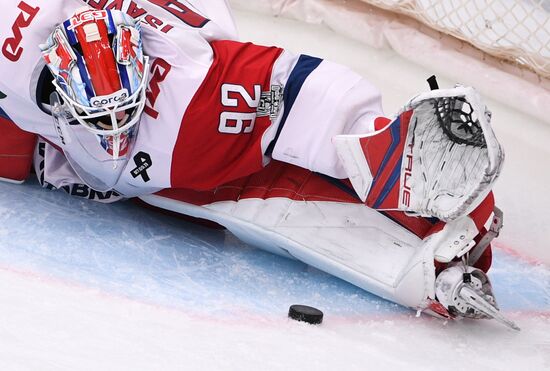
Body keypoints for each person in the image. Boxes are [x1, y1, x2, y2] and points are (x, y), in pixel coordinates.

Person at [0, 1, 515, 328]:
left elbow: (291, 94)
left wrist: (369, 136)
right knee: (273, 205)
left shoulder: (195, 80)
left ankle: (435, 186)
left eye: (122, 112)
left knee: (296, 125)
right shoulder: (19, 81)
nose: (112, 133)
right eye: (98, 119)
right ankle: (426, 263)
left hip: (206, 127)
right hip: (170, 179)